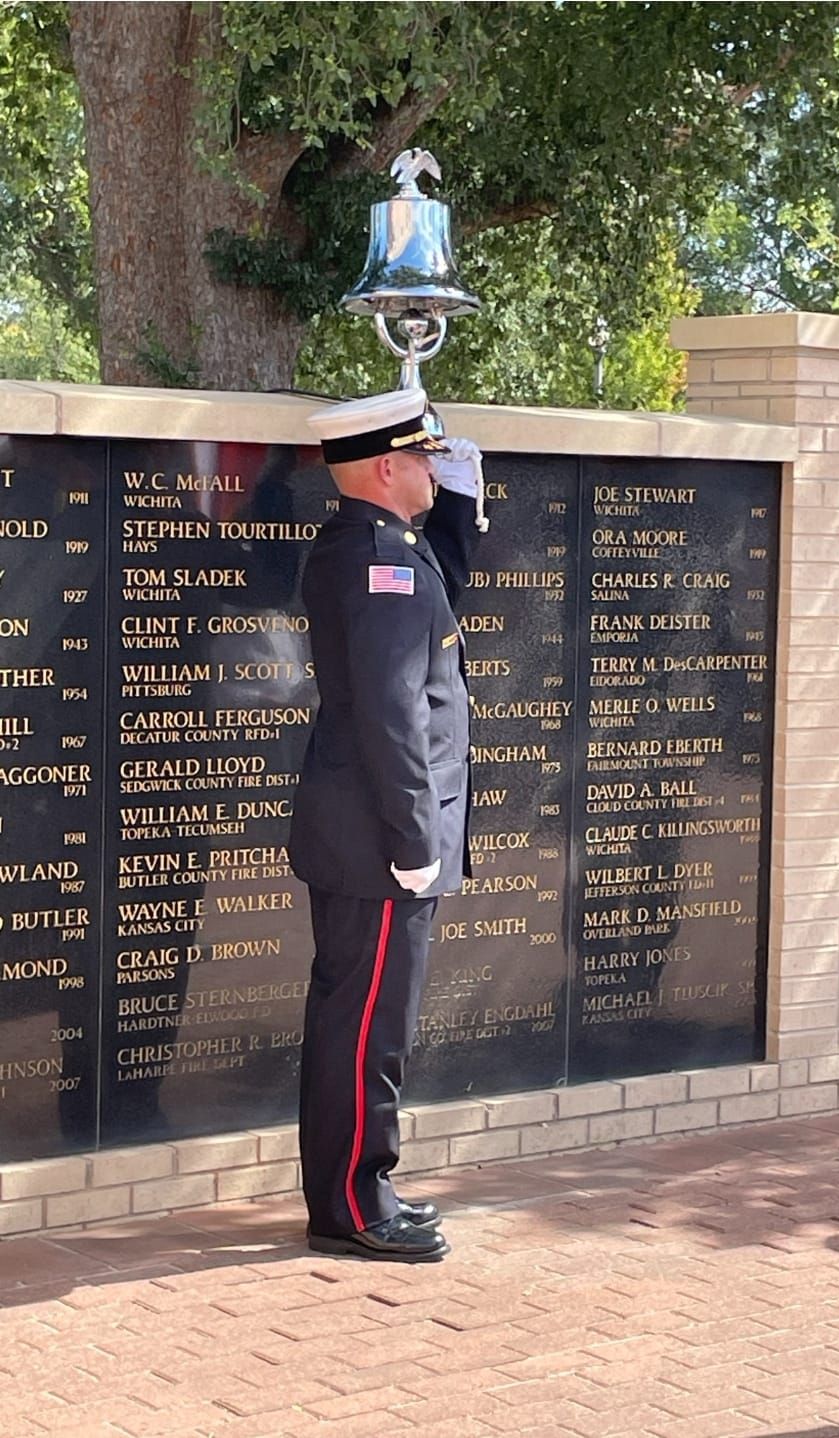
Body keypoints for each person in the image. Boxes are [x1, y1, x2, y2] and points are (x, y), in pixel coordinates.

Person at [289, 388, 485, 1263]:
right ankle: (353, 1207)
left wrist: (466, 504)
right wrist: (415, 840)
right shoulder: (376, 561)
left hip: (367, 836)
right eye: (426, 457)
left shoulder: (380, 549)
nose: (436, 468)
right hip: (380, 843)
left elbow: (437, 599)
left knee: (362, 1022)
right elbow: (390, 713)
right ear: (384, 466)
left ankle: (360, 1188)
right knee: (367, 1028)